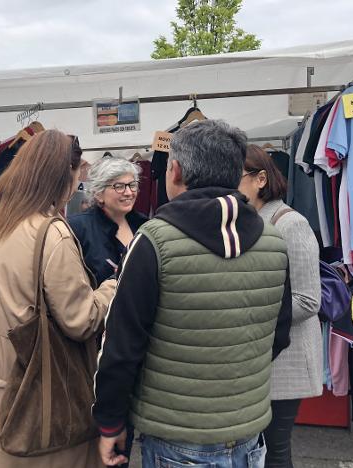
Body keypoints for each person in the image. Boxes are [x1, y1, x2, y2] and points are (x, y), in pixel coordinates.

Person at [93, 120, 293, 468]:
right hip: (249, 431)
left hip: (177, 436)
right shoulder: (273, 240)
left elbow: (122, 346)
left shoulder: (155, 240)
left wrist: (111, 421)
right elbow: (279, 334)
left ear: (176, 171)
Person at [0, 130, 116, 468]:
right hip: (34, 379)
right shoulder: (51, 232)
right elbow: (81, 319)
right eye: (77, 174)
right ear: (64, 176)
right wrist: (112, 287)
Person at [239, 144, 322, 467]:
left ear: (261, 178)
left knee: (275, 449)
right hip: (261, 356)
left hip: (286, 358)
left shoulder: (290, 223)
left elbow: (308, 299)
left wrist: (250, 314)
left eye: (237, 177)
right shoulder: (248, 220)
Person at [69, 157, 147, 286]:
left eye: (132, 185)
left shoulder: (144, 225)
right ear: (98, 194)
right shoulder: (78, 228)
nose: (129, 193)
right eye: (119, 186)